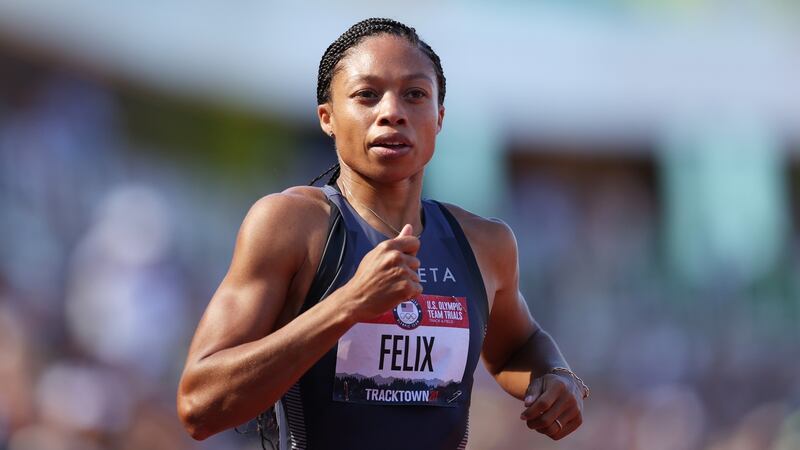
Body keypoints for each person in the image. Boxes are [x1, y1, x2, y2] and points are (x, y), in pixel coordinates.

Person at [177, 18, 588, 450]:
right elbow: (199, 405)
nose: (392, 112)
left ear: (439, 117)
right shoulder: (293, 225)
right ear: (327, 118)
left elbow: (518, 348)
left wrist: (555, 375)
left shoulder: (484, 244)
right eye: (367, 95)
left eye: (415, 94)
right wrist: (348, 304)